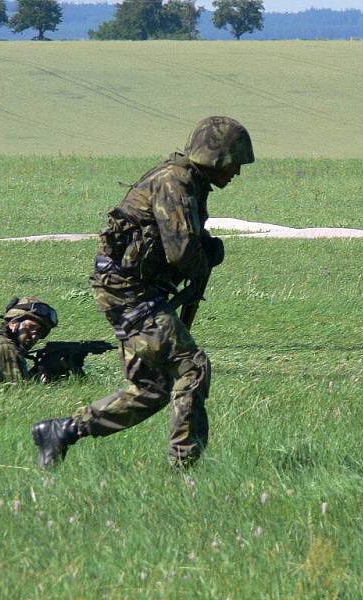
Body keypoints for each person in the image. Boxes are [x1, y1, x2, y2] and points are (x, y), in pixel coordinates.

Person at [32, 116, 255, 469]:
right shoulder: (175, 182)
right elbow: (181, 253)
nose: (236, 173)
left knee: (150, 390)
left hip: (134, 292)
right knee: (192, 369)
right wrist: (207, 255)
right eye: (233, 163)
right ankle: (186, 469)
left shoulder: (190, 183)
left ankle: (61, 431)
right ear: (215, 157)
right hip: (130, 293)